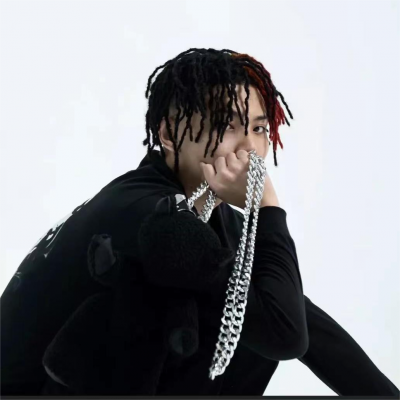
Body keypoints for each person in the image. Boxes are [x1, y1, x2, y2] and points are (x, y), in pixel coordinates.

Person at [0, 48, 398, 395]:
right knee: (232, 312)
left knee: (261, 298)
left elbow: (309, 330)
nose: (250, 147)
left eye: (259, 128)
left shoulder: (211, 217)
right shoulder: (147, 212)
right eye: (228, 125)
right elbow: (285, 336)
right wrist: (268, 208)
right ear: (168, 133)